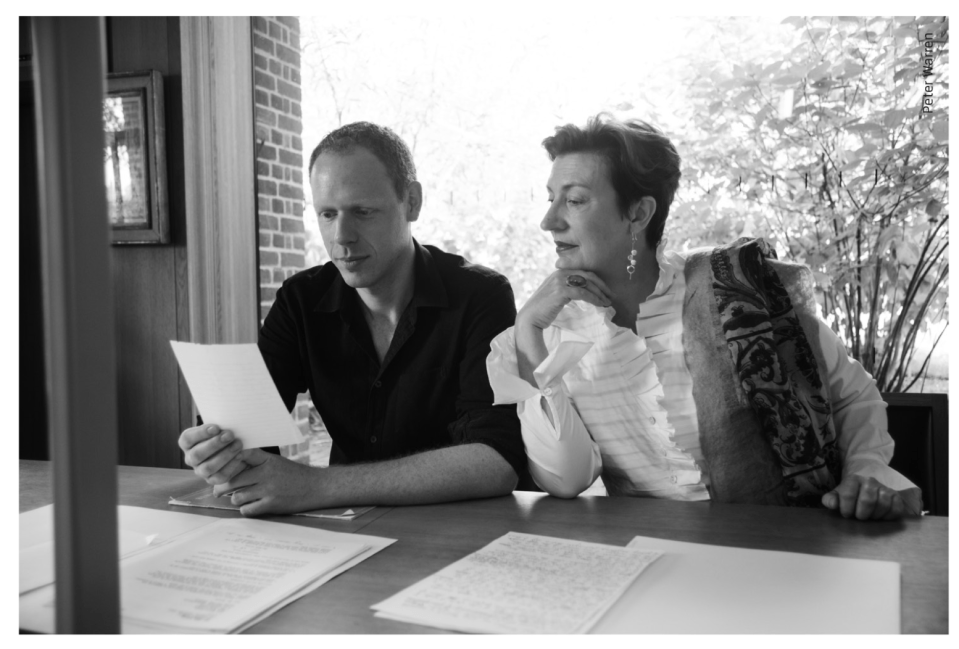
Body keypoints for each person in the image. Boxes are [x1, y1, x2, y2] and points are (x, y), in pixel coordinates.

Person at [486, 113, 922, 520]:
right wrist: (528, 330)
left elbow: (853, 396)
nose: (549, 221)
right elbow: (566, 480)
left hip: (787, 537)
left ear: (638, 213)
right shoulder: (556, 331)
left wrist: (865, 472)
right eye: (551, 199)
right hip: (643, 553)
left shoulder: (736, 288)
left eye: (575, 200)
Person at [179, 122, 527, 516]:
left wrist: (314, 485)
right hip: (345, 526)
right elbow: (249, 432)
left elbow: (496, 462)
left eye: (362, 212)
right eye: (328, 214)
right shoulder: (300, 301)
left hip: (457, 524)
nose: (341, 236)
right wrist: (220, 451)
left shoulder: (481, 296)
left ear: (412, 202)